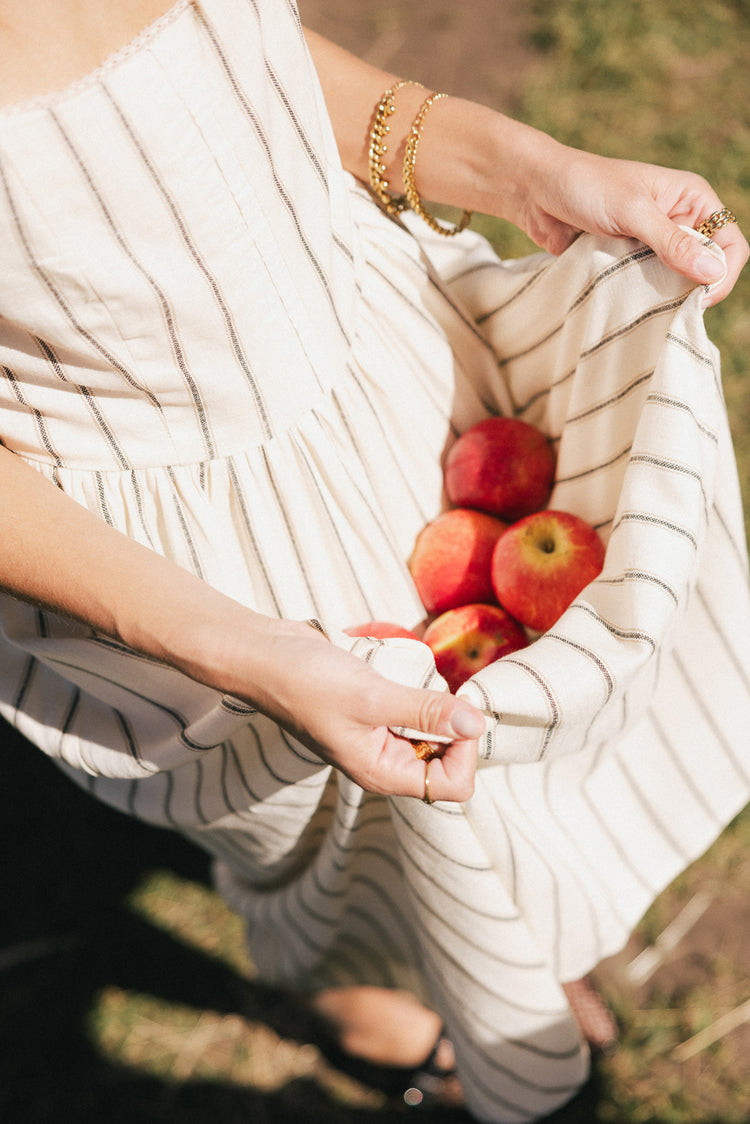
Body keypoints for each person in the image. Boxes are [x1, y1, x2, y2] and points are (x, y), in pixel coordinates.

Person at [1, 0, 749, 1119]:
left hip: (390, 374)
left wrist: (528, 171)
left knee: (493, 773)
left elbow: (226, 63)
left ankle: (488, 940)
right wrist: (243, 650)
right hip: (188, 561)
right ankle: (368, 995)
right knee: (317, 834)